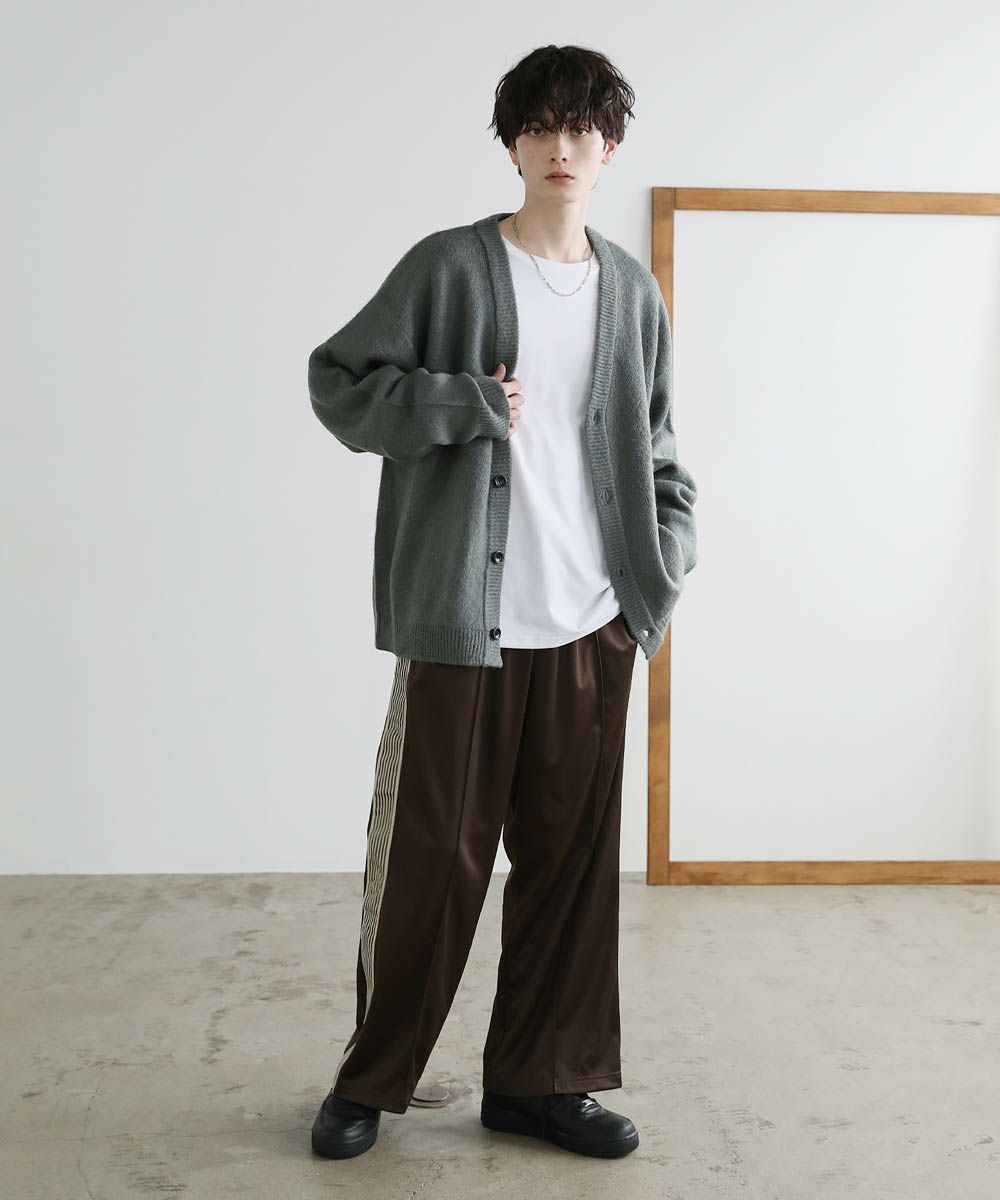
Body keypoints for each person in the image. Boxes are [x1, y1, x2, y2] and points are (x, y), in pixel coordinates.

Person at [306, 43, 698, 1161]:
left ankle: (542, 1084)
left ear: (608, 146)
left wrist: (656, 574)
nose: (560, 145)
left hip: (591, 623)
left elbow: (660, 451)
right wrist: (458, 402)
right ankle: (371, 1080)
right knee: (431, 864)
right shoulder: (449, 268)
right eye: (539, 126)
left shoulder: (631, 292)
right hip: (464, 626)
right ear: (514, 144)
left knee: (570, 872)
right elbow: (339, 382)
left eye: (581, 127)